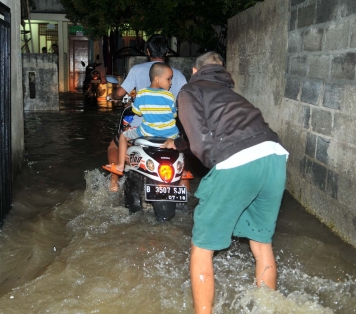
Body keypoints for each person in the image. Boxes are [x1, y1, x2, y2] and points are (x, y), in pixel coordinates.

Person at [162, 51, 288, 314]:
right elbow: (223, 130)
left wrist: (217, 173)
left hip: (236, 161)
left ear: (195, 71)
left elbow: (202, 143)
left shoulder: (189, 90)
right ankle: (268, 307)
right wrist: (178, 143)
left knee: (202, 248)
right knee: (261, 243)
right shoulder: (233, 95)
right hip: (274, 156)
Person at [106, 34, 187, 191]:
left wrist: (112, 96)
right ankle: (184, 186)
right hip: (169, 131)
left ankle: (114, 179)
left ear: (148, 52)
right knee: (181, 153)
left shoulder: (137, 70)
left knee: (114, 144)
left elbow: (121, 93)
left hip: (144, 129)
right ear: (167, 53)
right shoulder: (178, 76)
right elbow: (184, 103)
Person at [103, 63, 178, 175]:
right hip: (170, 134)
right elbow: (174, 115)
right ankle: (181, 168)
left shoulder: (142, 93)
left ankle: (120, 165)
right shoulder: (170, 96)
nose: (171, 82)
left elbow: (137, 112)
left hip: (148, 131)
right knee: (180, 143)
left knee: (123, 136)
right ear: (157, 79)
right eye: (168, 79)